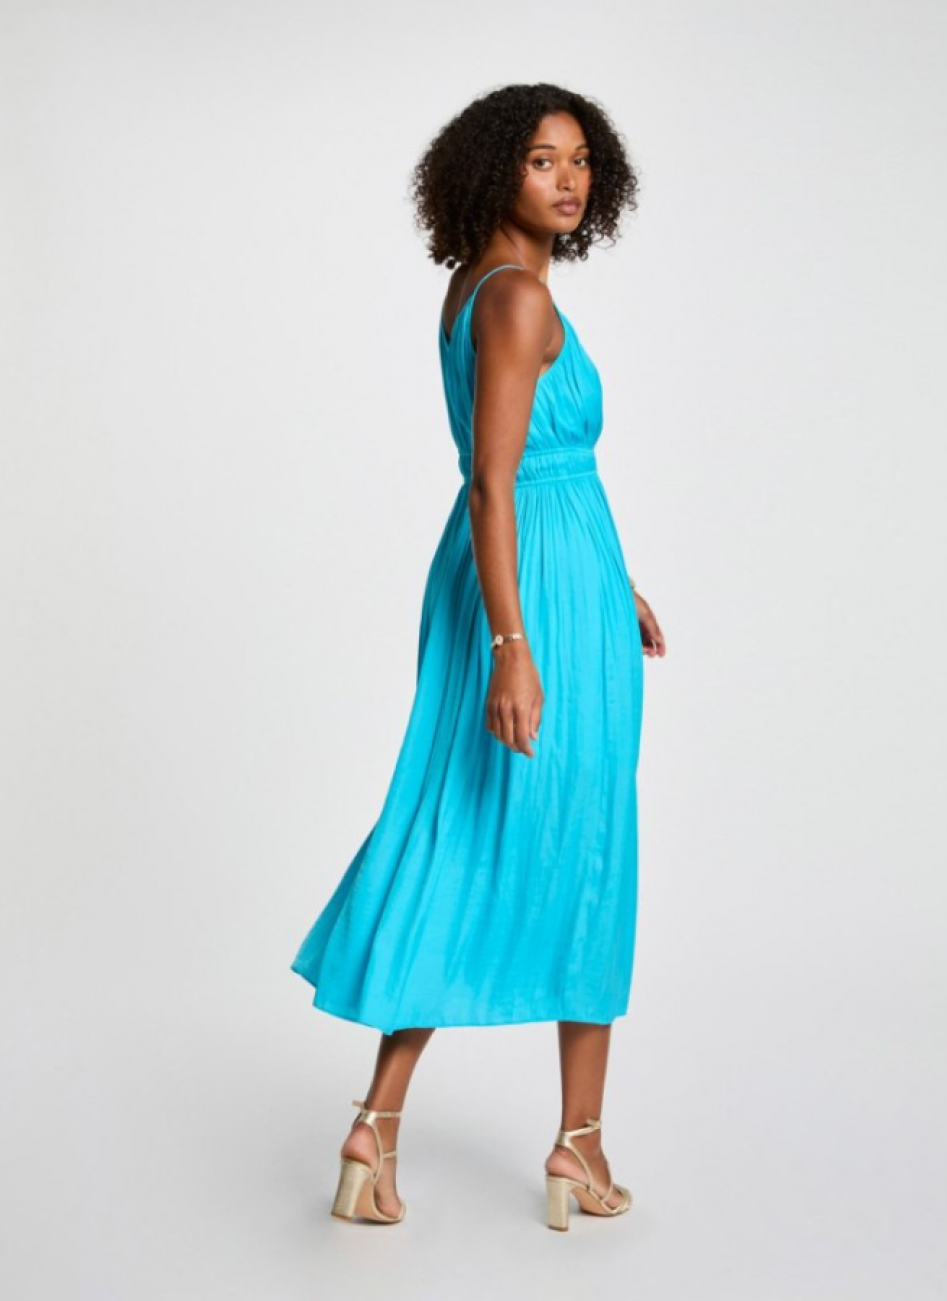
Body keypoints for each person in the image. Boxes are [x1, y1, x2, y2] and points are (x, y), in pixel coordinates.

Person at [290, 82, 666, 1230]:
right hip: (526, 594)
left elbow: (537, 470)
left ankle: (385, 1124)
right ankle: (574, 1146)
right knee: (578, 840)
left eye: (581, 160)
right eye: (542, 159)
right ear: (494, 171)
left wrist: (613, 580)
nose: (569, 178)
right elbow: (494, 480)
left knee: (477, 827)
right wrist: (514, 644)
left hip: (557, 575)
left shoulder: (480, 285)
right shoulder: (516, 298)